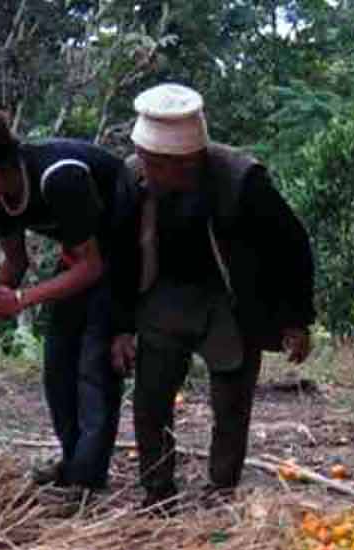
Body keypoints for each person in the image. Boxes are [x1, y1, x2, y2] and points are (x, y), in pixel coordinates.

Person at [109, 84, 316, 511]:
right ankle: (157, 491)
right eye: (142, 159)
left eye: (154, 164)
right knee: (151, 397)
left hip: (230, 299)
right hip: (163, 295)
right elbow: (119, 256)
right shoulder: (133, 177)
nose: (144, 170)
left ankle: (221, 489)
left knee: (231, 401)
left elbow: (291, 247)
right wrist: (121, 326)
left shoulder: (241, 180)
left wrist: (295, 318)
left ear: (183, 162)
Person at [0, 108, 127, 500]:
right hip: (81, 256)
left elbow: (95, 267)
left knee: (93, 364)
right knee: (57, 362)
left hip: (124, 256)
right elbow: (16, 261)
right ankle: (72, 459)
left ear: (5, 164)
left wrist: (21, 300)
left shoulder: (59, 178)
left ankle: (86, 480)